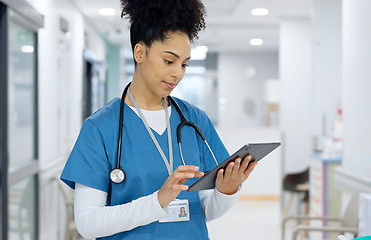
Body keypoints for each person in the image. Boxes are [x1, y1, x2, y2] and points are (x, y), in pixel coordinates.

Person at [60, 0, 258, 239]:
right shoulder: (100, 128)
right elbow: (88, 222)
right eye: (169, 61)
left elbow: (203, 210)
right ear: (139, 52)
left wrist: (226, 193)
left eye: (184, 64)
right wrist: (157, 201)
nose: (178, 73)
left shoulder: (195, 121)